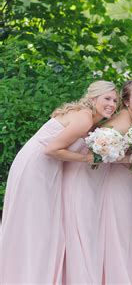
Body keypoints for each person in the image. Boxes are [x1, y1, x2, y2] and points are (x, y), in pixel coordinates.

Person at [0, 80, 118, 283]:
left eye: (115, 100)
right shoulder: (85, 118)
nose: (112, 104)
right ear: (93, 98)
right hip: (37, 166)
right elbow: (51, 149)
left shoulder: (89, 120)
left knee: (41, 223)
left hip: (45, 167)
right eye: (107, 98)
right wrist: (86, 159)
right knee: (34, 223)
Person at [102, 80, 132, 283]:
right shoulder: (122, 122)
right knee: (118, 235)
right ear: (126, 102)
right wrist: (131, 159)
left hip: (129, 182)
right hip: (117, 184)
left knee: (126, 234)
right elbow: (102, 151)